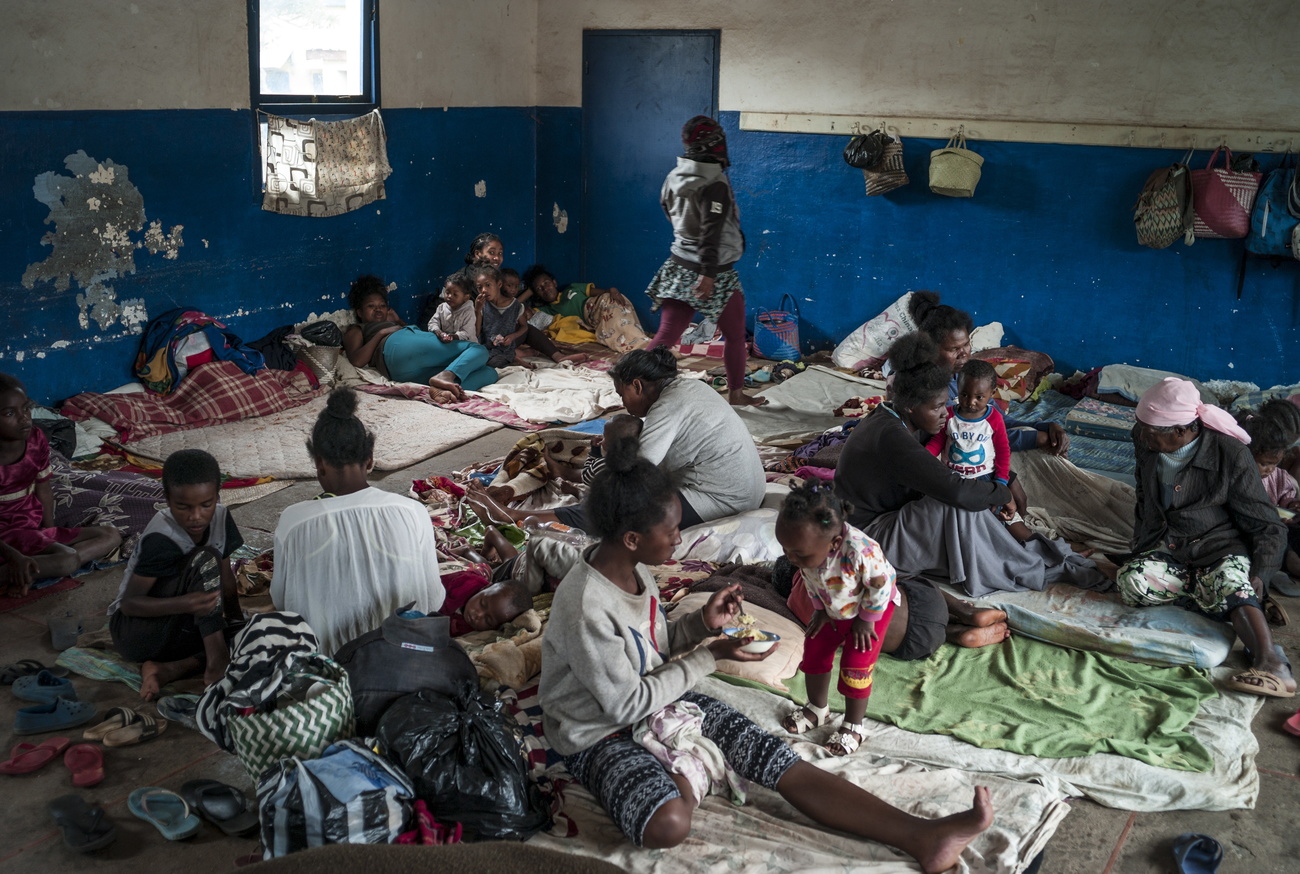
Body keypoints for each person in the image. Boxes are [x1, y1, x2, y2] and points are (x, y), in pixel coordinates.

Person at [537, 440, 992, 866]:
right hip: (599, 730)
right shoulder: (586, 607)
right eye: (672, 531)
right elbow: (623, 703)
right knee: (668, 823)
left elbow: (650, 649)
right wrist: (710, 655)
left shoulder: (637, 572)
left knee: (770, 755)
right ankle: (682, 772)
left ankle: (920, 835)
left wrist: (701, 624)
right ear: (633, 538)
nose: (679, 540)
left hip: (654, 702)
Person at [834, 334, 1105, 598]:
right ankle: (1019, 560)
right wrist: (1001, 493)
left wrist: (1006, 478)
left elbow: (957, 453)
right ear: (913, 407)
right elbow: (957, 491)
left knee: (967, 492)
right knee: (959, 500)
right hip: (869, 540)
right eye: (939, 407)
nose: (945, 414)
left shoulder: (902, 418)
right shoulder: (892, 436)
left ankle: (1020, 552)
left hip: (890, 520)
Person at [1117, 378, 1294, 697]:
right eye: (1141, 426)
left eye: (1151, 430)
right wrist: (1140, 546)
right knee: (1133, 581)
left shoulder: (1231, 454)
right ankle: (1230, 602)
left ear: (1183, 430)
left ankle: (1272, 661)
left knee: (1230, 580)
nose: (1141, 435)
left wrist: (1260, 576)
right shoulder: (1144, 437)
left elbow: (1268, 524)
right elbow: (1144, 492)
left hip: (1218, 546)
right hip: (1169, 546)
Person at [467, 348, 765, 533]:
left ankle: (515, 515)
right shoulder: (688, 389)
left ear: (637, 385)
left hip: (723, 500)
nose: (623, 402)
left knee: (617, 505)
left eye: (623, 394)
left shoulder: (669, 405)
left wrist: (600, 475)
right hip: (744, 488)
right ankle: (555, 490)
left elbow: (637, 474)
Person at [271, 388, 446, 656]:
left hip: (329, 669)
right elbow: (432, 598)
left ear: (318, 464)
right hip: (406, 656)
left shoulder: (294, 522)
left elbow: (283, 603)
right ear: (370, 459)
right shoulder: (412, 511)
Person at [643, 116, 766, 408]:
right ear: (715, 145)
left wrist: (684, 237)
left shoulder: (675, 175)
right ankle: (735, 393)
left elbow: (666, 207)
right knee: (736, 336)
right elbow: (710, 232)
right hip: (714, 273)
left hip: (679, 265)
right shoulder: (714, 183)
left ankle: (635, 385)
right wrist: (708, 274)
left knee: (666, 336)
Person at [108, 449, 241, 700]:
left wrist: (235, 624)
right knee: (206, 558)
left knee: (251, 635)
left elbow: (227, 582)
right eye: (183, 507)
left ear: (217, 497)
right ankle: (216, 663)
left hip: (181, 631)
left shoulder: (222, 518)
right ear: (168, 500)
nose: (196, 516)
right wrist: (185, 603)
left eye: (206, 504)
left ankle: (168, 669)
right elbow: (130, 604)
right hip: (138, 633)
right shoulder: (162, 537)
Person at [776, 483, 897, 757]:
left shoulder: (861, 551)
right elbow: (811, 580)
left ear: (833, 543)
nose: (792, 559)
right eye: (786, 550)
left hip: (871, 607)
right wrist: (819, 609)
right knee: (815, 648)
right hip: (834, 604)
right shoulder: (806, 551)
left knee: (856, 664)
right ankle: (817, 709)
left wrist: (866, 620)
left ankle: (854, 725)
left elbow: (882, 585)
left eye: (799, 554)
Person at [0, 375, 120, 596]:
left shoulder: (35, 439)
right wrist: (13, 555)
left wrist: (48, 530)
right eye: (9, 413)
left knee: (111, 535)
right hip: (3, 538)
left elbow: (43, 489)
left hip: (28, 529)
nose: (24, 418)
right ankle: (18, 570)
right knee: (67, 559)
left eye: (26, 409)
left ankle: (27, 569)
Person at [918, 303, 1069, 457]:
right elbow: (965, 435)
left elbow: (998, 420)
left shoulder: (964, 376)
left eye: (966, 344)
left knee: (1040, 438)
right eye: (954, 349)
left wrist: (1044, 427)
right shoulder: (932, 386)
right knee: (1035, 445)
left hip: (973, 449)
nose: (964, 353)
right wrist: (1036, 438)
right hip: (951, 454)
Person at [925, 359, 1033, 542]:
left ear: (992, 393)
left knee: (1006, 523)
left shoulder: (994, 418)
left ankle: (1045, 548)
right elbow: (939, 440)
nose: (971, 402)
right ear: (957, 388)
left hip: (985, 479)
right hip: (954, 479)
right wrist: (924, 457)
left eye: (979, 397)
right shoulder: (950, 415)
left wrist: (1000, 481)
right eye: (965, 394)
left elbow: (1003, 451)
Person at [342, 274, 496, 400]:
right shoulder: (357, 329)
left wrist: (398, 321)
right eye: (371, 306)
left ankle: (441, 390)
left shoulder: (391, 323)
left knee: (489, 373)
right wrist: (381, 334)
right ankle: (446, 376)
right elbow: (357, 361)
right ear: (359, 312)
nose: (378, 310)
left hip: (400, 371)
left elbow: (414, 340)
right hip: (395, 347)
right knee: (479, 350)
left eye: (382, 306)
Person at [1239, 401, 1300, 596]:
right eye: (1266, 464)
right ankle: (1282, 565)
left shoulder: (1277, 476)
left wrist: (1292, 506)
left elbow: (1286, 496)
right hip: (1254, 530)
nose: (1271, 469)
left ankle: (1283, 563)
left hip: (1281, 526)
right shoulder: (1241, 475)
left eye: (1275, 463)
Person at [472, 264, 586, 368]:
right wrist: (477, 310)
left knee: (530, 330)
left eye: (488, 285)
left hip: (508, 341)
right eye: (479, 287)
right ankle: (515, 357)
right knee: (493, 363)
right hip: (490, 344)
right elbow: (476, 333)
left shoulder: (515, 305)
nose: (484, 290)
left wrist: (513, 336)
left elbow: (524, 327)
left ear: (499, 284)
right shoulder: (482, 305)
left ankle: (558, 356)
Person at [521, 264, 651, 354]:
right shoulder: (546, 310)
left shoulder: (572, 288)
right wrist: (530, 291)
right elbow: (514, 306)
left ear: (554, 283)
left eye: (546, 283)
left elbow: (604, 293)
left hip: (599, 305)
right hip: (592, 319)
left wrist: (612, 290)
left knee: (614, 301)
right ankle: (642, 343)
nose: (545, 288)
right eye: (539, 288)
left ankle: (640, 340)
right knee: (617, 325)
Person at [437, 568, 533, 636]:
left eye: (488, 620)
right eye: (482, 604)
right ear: (485, 588)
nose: (478, 615)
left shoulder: (471, 633)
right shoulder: (464, 582)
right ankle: (467, 551)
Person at [426, 271, 477, 342]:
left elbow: (467, 333)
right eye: (447, 292)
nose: (449, 296)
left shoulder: (468, 311)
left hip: (466, 345)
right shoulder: (442, 307)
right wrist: (439, 332)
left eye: (455, 294)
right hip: (448, 343)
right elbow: (433, 322)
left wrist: (453, 337)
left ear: (466, 297)